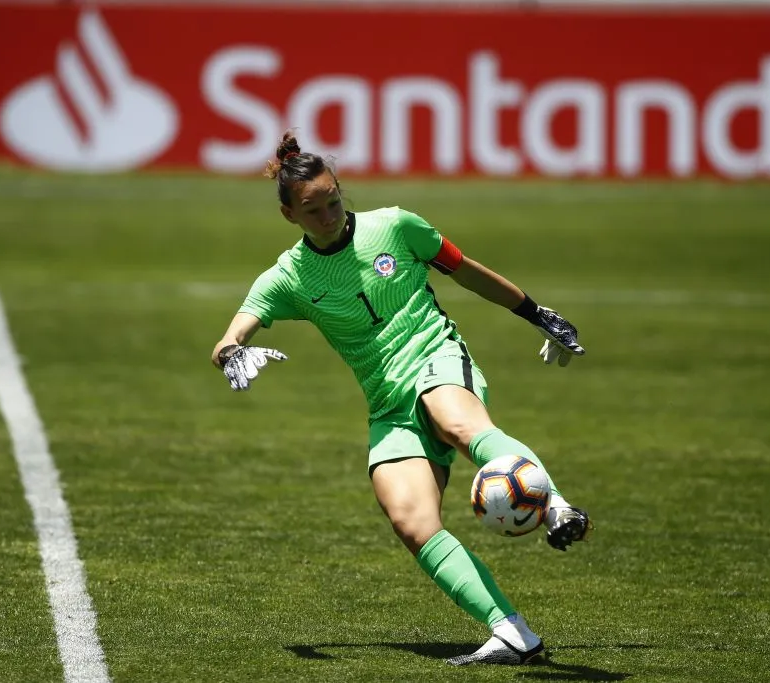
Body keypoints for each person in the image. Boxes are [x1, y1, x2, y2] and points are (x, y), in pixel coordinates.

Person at [211, 130, 593, 666]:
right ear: (290, 216)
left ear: (343, 190)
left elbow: (467, 271)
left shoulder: (395, 225)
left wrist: (538, 314)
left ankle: (553, 505)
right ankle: (511, 633)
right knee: (410, 519)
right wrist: (233, 354)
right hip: (388, 405)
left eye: (334, 201)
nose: (329, 216)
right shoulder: (288, 278)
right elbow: (231, 335)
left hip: (436, 358)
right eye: (313, 210)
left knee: (456, 420)